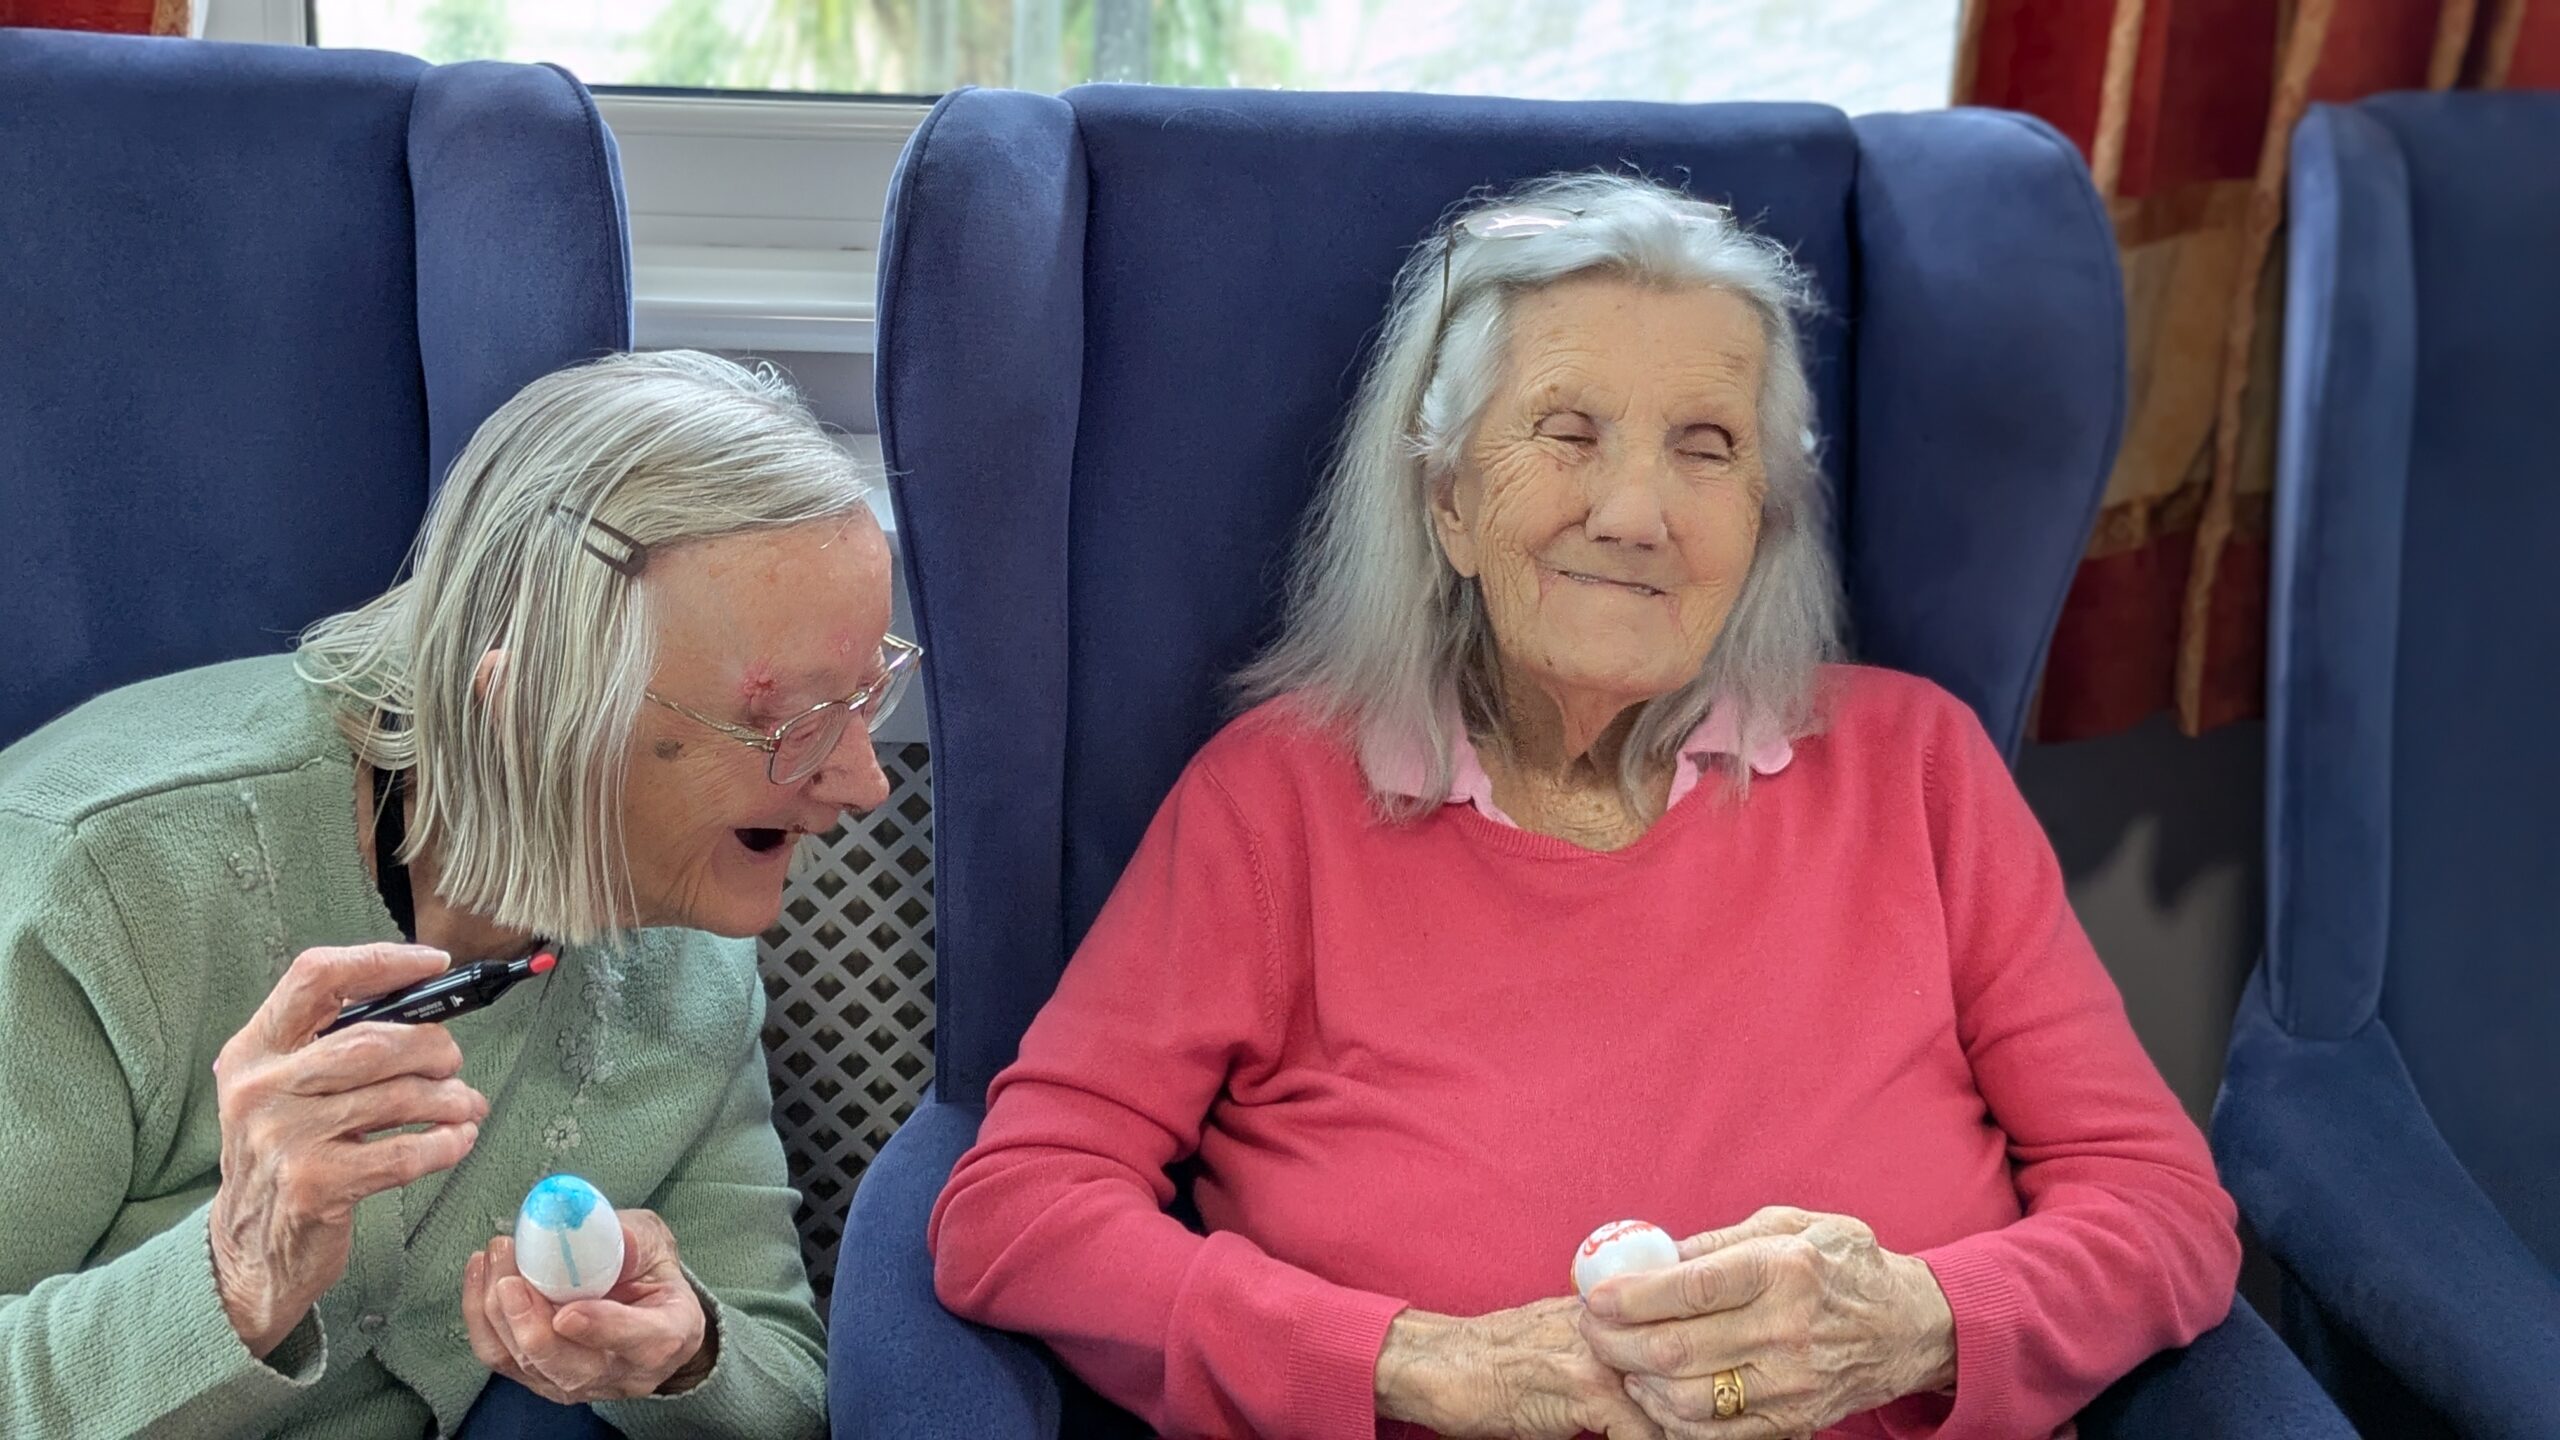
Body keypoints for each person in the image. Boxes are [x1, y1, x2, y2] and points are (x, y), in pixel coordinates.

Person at [928, 175, 2240, 1440]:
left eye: (1706, 447)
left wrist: (1917, 1320)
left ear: (1765, 519)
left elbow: (2164, 1212)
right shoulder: (1279, 798)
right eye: (1569, 433)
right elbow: (1022, 1209)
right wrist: (1414, 1363)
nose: (1634, 514)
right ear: (1447, 501)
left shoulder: (1919, 771)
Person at [0, 350, 917, 1439]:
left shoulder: (687, 935)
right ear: (526, 713)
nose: (865, 783)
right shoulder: (97, 879)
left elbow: (782, 1385)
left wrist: (686, 1355)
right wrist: (234, 1277)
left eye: (866, 694)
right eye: (790, 723)